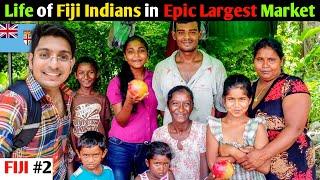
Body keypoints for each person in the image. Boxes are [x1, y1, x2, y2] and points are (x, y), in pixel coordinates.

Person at [0, 24, 76, 180]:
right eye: (44, 55)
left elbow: (61, 145)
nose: (54, 65)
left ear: (72, 63)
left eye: (63, 56)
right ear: (31, 59)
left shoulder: (68, 96)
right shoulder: (15, 101)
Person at [243, 38, 316, 179]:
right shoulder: (250, 88)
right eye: (260, 59)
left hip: (293, 166)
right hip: (260, 168)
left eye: (271, 60)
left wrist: (261, 155)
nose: (265, 65)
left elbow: (295, 129)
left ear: (281, 61)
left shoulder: (292, 85)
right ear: (253, 61)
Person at [153, 20, 227, 125]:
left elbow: (222, 108)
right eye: (181, 32)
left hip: (206, 138)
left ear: (200, 34)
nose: (187, 37)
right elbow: (161, 107)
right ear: (174, 35)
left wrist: (209, 131)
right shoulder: (161, 68)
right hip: (172, 139)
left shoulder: (216, 67)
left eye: (192, 32)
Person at [106, 35, 158, 180]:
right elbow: (121, 121)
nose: (136, 55)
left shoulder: (156, 79)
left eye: (141, 50)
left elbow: (163, 111)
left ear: (147, 55)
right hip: (121, 146)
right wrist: (129, 101)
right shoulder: (116, 83)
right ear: (125, 56)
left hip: (149, 146)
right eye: (130, 51)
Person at [206, 74, 270, 180]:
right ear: (224, 101)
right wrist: (244, 155)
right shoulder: (214, 126)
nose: (236, 105)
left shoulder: (257, 126)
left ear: (249, 100)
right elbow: (212, 164)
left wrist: (231, 151)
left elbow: (264, 167)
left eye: (242, 99)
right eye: (231, 99)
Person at [152, 85, 208, 180]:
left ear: (192, 106)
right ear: (168, 106)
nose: (181, 109)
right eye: (175, 103)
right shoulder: (159, 134)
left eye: (186, 104)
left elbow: (204, 165)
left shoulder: (202, 130)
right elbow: (155, 168)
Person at [69, 56, 111, 174]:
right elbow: (69, 126)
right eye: (81, 73)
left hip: (98, 152)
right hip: (79, 152)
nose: (86, 77)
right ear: (76, 75)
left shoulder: (102, 99)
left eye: (91, 72)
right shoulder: (71, 98)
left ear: (97, 74)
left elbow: (106, 124)